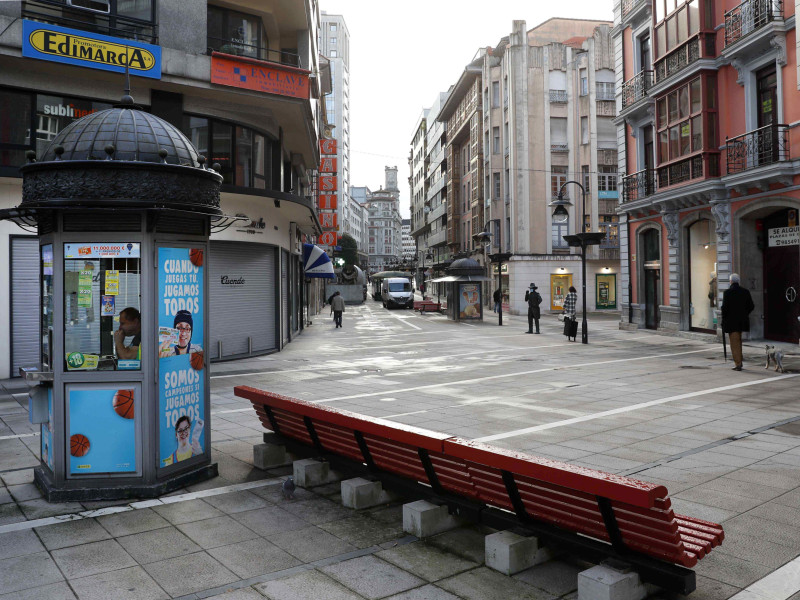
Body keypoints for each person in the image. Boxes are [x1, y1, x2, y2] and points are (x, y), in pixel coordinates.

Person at [721, 273, 754, 371]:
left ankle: (738, 364)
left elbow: (724, 308)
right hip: (742, 321)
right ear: (738, 281)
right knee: (738, 341)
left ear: (730, 281)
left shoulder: (727, 293)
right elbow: (751, 306)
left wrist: (724, 319)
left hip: (732, 322)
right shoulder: (745, 291)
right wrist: (744, 313)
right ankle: (739, 359)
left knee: (734, 343)